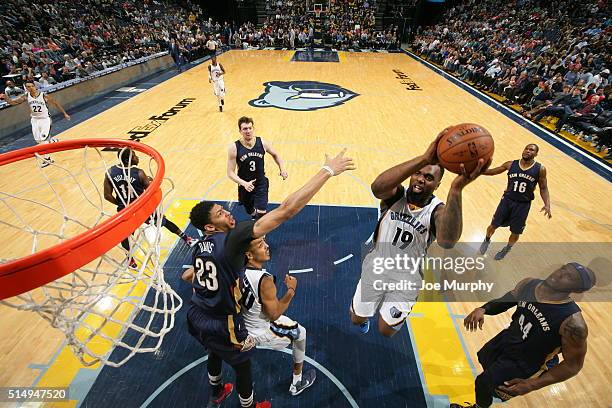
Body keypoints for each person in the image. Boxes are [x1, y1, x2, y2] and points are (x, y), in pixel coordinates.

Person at [183, 149, 354, 408]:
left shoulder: (199, 247)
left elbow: (188, 274)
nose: (228, 213)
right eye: (220, 214)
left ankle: (216, 391)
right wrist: (327, 171)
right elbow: (286, 210)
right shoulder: (233, 240)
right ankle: (249, 406)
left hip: (196, 315)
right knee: (242, 366)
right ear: (210, 227)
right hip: (225, 323)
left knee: (214, 350)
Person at [350, 128, 489, 337]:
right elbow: (377, 187)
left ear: (437, 185)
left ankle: (394, 310)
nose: (421, 179)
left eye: (429, 177)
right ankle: (364, 318)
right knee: (356, 318)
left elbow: (448, 240)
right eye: (418, 173)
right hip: (377, 266)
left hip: (407, 276)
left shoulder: (437, 210)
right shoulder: (395, 195)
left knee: (386, 331)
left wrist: (456, 190)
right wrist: (424, 158)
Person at [452, 263, 595, 408]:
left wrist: (532, 384)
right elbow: (506, 300)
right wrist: (483, 308)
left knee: (482, 383)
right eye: (563, 269)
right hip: (507, 339)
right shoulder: (529, 284)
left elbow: (573, 366)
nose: (559, 274)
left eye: (569, 277)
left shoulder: (573, 323)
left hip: (525, 362)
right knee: (485, 364)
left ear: (577, 289)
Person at [240, 236, 316, 396]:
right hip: (260, 330)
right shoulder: (264, 279)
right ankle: (297, 382)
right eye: (261, 245)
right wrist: (291, 290)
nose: (267, 246)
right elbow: (274, 314)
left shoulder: (235, 269)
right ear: (249, 255)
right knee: (301, 333)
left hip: (241, 325)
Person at [103, 148, 197, 268]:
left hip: (125, 211)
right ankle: (187, 238)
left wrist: (121, 203)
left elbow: (107, 196)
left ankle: (130, 259)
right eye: (135, 156)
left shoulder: (110, 172)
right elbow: (152, 190)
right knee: (164, 222)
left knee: (126, 236)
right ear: (128, 160)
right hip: (142, 208)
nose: (137, 158)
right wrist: (150, 181)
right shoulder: (139, 173)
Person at [479, 144, 551, 260]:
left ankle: (507, 248)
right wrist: (478, 170)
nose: (528, 151)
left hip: (523, 205)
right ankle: (486, 240)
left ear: (536, 154)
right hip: (507, 201)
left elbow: (543, 188)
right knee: (493, 225)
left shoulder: (540, 169)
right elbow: (492, 172)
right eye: (526, 148)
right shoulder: (511, 164)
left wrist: (547, 204)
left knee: (516, 232)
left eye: (531, 150)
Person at [227, 116, 288, 219]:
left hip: (260, 182)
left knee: (261, 212)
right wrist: (244, 183)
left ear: (253, 128)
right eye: (245, 129)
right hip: (245, 184)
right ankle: (254, 215)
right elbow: (230, 173)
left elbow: (276, 154)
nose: (248, 131)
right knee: (249, 210)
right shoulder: (234, 148)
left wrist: (282, 169)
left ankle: (261, 232)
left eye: (250, 128)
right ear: (240, 131)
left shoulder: (262, 143)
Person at [0, 80, 70, 167]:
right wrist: (6, 98)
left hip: (45, 119)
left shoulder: (43, 95)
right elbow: (13, 102)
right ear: (26, 88)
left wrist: (65, 113)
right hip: (35, 119)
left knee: (44, 140)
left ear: (35, 86)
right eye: (28, 87)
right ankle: (52, 141)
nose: (30, 88)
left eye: (31, 86)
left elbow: (56, 103)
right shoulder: (26, 96)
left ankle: (48, 159)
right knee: (38, 140)